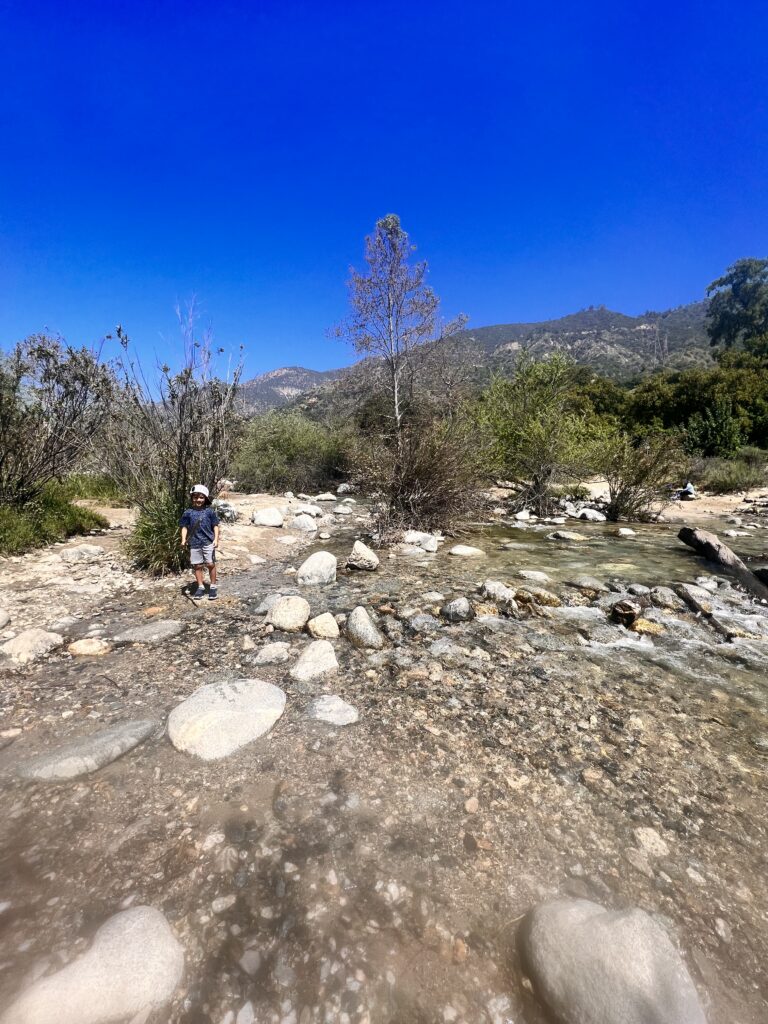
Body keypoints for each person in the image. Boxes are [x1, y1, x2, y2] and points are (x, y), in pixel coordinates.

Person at [179, 484, 221, 599]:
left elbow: (215, 526)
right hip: (194, 543)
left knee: (210, 564)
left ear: (205, 498)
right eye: (195, 497)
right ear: (192, 498)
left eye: (201, 497)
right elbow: (184, 527)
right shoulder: (188, 512)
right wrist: (183, 540)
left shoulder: (210, 511)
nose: (198, 500)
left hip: (208, 541)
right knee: (197, 566)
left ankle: (213, 586)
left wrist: (216, 539)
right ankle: (201, 586)